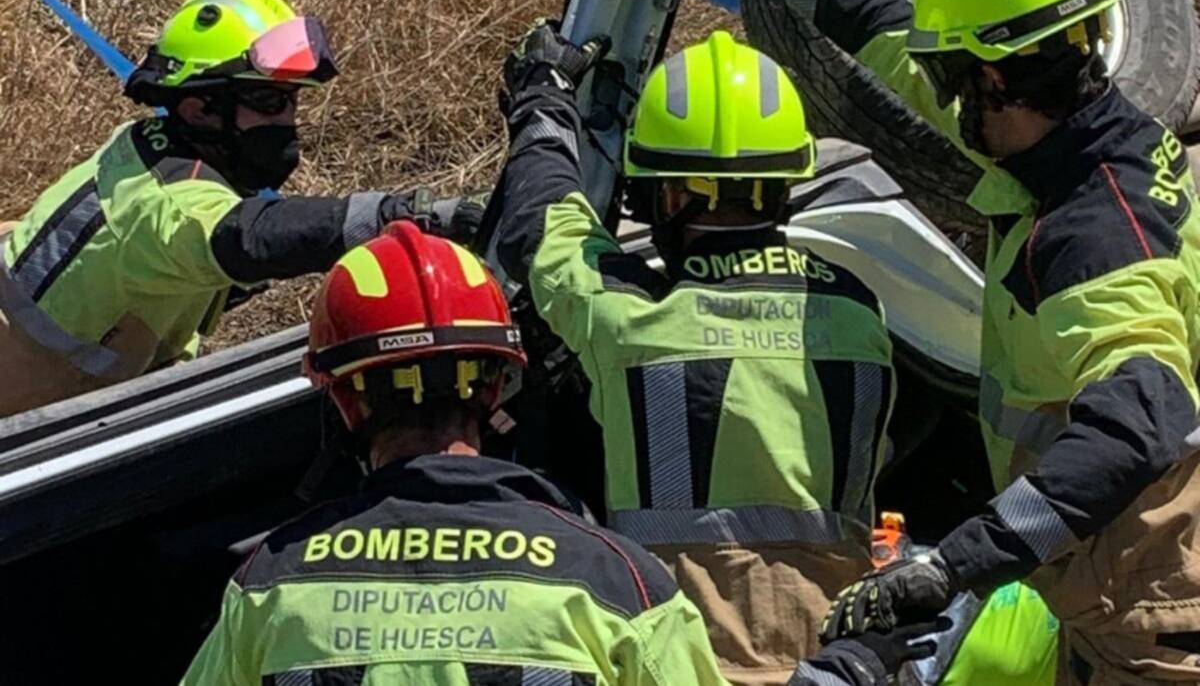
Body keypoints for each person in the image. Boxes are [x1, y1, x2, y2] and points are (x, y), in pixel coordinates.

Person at [670, 0, 1200, 685]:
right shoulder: (1102, 134)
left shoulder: (1094, 243)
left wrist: (955, 565)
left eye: (951, 82)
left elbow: (1138, 424)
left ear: (993, 80)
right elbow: (879, 28)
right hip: (1118, 595)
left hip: (1155, 622)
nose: (942, 104)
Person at [180, 221, 942, 685]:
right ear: (494, 391)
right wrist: (849, 667)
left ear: (344, 400)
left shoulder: (268, 587)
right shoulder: (616, 581)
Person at [494, 23, 896, 684]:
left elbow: (538, 221)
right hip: (839, 660)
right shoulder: (862, 313)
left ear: (665, 195)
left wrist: (542, 94)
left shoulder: (627, 319)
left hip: (683, 665)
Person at [0, 0, 480, 417]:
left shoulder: (147, 146)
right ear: (200, 107)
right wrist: (400, 218)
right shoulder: (168, 209)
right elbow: (246, 236)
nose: (287, 121)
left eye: (292, 100)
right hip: (32, 428)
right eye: (270, 103)